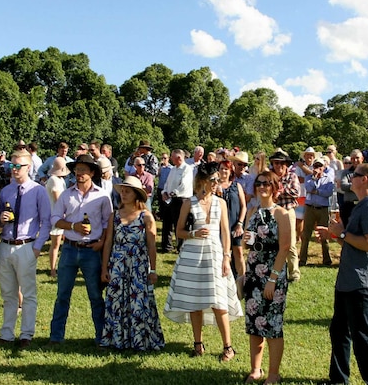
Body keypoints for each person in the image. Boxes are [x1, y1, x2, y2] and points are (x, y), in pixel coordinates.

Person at [315, 163, 368, 385]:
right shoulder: (359, 206)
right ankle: (338, 379)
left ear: (364, 179)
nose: (349, 179)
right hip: (348, 281)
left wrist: (342, 234)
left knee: (362, 337)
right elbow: (353, 239)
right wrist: (333, 234)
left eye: (353, 175)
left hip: (361, 282)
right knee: (339, 331)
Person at [164, 162, 243, 362]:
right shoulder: (188, 203)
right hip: (192, 255)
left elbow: (226, 233)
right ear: (202, 181)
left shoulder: (221, 203)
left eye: (218, 179)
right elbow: (179, 231)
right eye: (213, 180)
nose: (217, 183)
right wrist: (193, 233)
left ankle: (228, 347)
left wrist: (227, 257)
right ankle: (198, 344)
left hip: (215, 254)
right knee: (195, 301)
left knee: (219, 301)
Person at [49, 154, 113, 345]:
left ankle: (102, 337)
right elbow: (55, 219)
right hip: (69, 248)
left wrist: (101, 242)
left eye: (83, 170)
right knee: (62, 295)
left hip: (91, 251)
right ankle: (56, 337)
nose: (79, 174)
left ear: (92, 173)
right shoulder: (67, 194)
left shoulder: (102, 195)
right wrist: (72, 226)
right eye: (77, 170)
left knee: (95, 296)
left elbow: (108, 224)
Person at [100, 176, 165, 350]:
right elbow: (108, 243)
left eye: (127, 191)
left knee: (138, 303)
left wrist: (153, 269)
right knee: (117, 302)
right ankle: (117, 339)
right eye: (122, 190)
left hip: (138, 265)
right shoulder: (114, 215)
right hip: (118, 264)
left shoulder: (146, 217)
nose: (123, 194)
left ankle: (140, 340)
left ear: (136, 194)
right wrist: (104, 267)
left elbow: (151, 245)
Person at [0, 150, 53, 348]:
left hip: (26, 245)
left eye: (18, 166)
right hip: (5, 245)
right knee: (8, 293)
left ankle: (26, 334)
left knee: (28, 293)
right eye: (12, 166)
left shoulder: (38, 191)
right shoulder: (6, 191)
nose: (14, 170)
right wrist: (0, 221)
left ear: (28, 167)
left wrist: (37, 247)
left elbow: (47, 221)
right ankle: (6, 333)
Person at [241, 171, 292, 385]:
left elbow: (285, 248)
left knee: (272, 324)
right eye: (259, 183)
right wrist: (245, 241)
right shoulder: (252, 211)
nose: (262, 187)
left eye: (266, 184)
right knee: (254, 322)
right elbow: (247, 245)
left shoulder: (282, 213)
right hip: (253, 272)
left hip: (273, 274)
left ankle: (274, 374)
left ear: (274, 187)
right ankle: (256, 369)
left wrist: (272, 279)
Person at [269, 149, 301, 281]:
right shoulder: (269, 175)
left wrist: (280, 189)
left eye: (281, 163)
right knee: (273, 242)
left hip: (288, 211)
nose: (278, 165)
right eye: (276, 163)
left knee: (291, 243)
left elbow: (296, 192)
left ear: (286, 164)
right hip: (273, 211)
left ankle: (294, 273)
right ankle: (276, 270)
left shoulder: (292, 176)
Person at [300, 156, 335, 266]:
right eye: (315, 166)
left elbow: (328, 192)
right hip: (310, 208)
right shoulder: (308, 178)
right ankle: (302, 259)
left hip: (323, 209)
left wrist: (317, 191)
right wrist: (315, 180)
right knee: (306, 235)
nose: (317, 168)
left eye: (320, 166)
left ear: (324, 167)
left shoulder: (328, 179)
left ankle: (327, 260)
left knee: (324, 235)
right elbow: (309, 189)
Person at [216, 160, 247, 278]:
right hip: (220, 225)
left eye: (226, 169)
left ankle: (242, 279)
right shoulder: (214, 186)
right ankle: (223, 277)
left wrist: (240, 223)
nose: (223, 171)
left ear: (231, 171)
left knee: (238, 251)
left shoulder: (236, 185)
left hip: (235, 224)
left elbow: (243, 206)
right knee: (222, 252)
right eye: (221, 168)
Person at [160, 149, 194, 252]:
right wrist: (164, 192)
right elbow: (167, 183)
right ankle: (167, 246)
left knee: (180, 223)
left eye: (172, 157)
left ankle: (181, 246)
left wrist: (172, 193)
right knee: (167, 223)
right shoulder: (173, 169)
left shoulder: (187, 169)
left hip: (181, 199)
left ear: (179, 158)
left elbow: (184, 185)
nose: (171, 159)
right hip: (170, 199)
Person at [44, 157, 70, 278]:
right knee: (55, 244)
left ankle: (60, 267)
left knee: (62, 243)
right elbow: (58, 199)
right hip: (56, 214)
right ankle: (53, 269)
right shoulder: (53, 180)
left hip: (61, 214)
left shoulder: (60, 180)